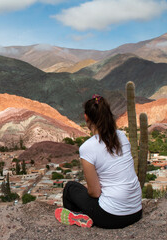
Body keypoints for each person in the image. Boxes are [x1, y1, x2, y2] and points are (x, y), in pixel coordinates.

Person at [54, 94, 142, 228]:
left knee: (71, 188)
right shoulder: (122, 136)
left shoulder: (88, 147)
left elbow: (94, 192)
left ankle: (77, 218)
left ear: (86, 117)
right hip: (136, 212)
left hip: (111, 217)